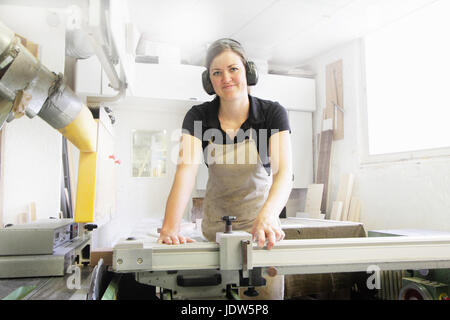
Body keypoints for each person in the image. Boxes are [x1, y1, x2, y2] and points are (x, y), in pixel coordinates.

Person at [157, 38, 293, 299]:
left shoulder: (272, 114)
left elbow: (284, 172)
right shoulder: (198, 116)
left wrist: (268, 216)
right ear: (209, 81)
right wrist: (170, 226)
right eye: (216, 73)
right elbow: (186, 171)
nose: (226, 78)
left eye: (233, 69)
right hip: (215, 231)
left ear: (247, 71)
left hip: (260, 230)